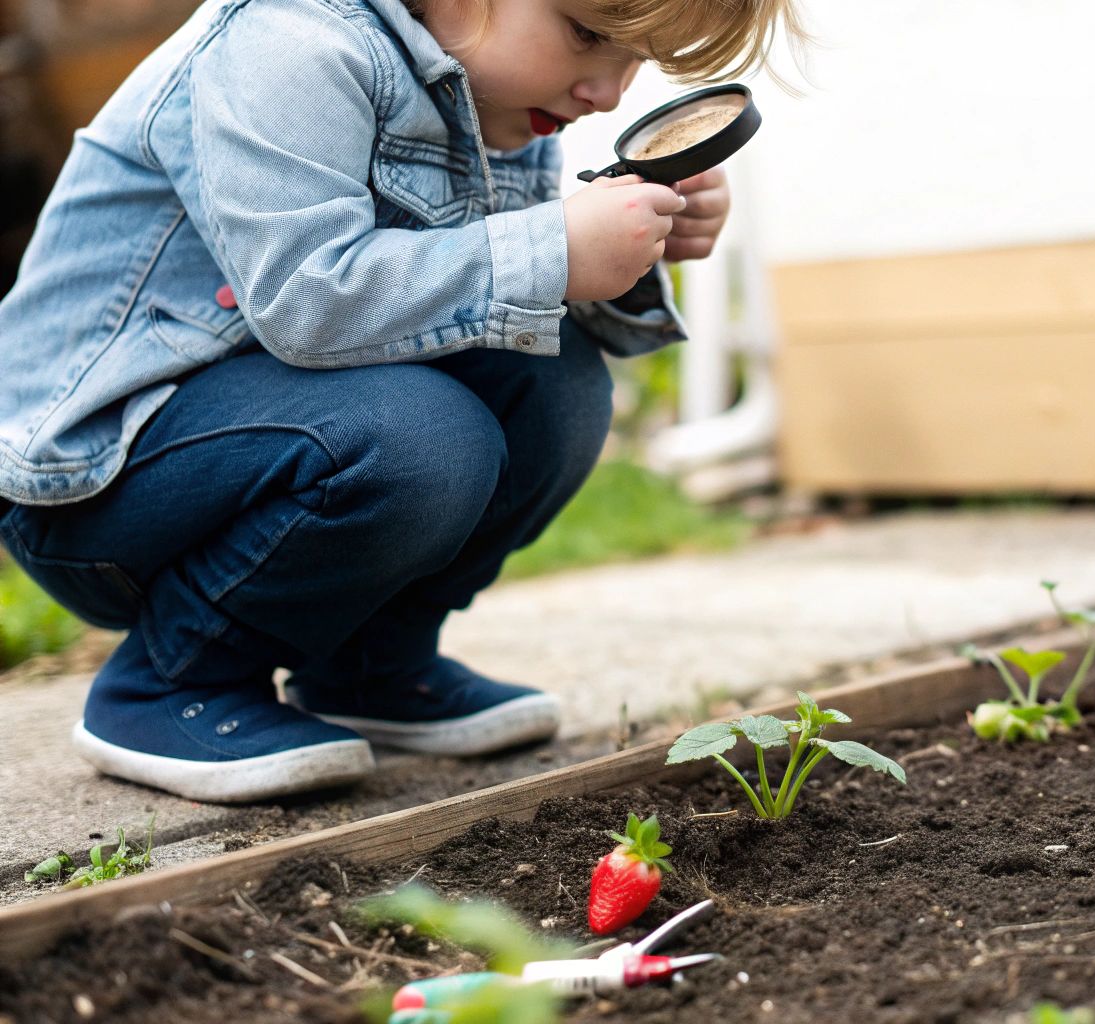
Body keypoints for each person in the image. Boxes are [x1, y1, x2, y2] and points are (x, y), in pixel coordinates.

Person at [0, 0, 805, 802]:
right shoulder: (289, 44)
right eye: (590, 37)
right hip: (97, 479)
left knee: (554, 380)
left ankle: (368, 665)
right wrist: (549, 247)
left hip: (265, 432)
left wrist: (630, 240)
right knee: (422, 439)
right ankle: (170, 680)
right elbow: (305, 299)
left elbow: (471, 297)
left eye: (636, 60)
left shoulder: (492, 97)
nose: (609, 93)